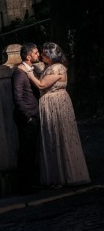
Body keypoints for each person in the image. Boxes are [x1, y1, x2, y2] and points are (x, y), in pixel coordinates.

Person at [20, 42, 90, 188]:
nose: (41, 56)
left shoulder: (57, 68)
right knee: (53, 138)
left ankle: (67, 175)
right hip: (51, 105)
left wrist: (28, 73)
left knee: (60, 137)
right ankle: (58, 175)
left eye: (44, 54)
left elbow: (41, 85)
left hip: (57, 105)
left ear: (50, 56)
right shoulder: (48, 67)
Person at [11, 43, 41, 195]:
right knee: (26, 152)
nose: (39, 54)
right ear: (28, 56)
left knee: (31, 151)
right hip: (27, 117)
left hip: (33, 115)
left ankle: (30, 183)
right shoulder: (19, 73)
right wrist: (28, 117)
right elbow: (17, 98)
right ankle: (24, 187)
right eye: (36, 53)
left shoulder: (32, 70)